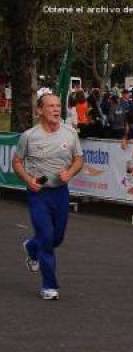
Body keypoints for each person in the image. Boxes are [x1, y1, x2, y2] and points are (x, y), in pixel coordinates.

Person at [12, 93, 83, 300]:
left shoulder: (70, 134)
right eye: (50, 106)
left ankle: (31, 247)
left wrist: (69, 173)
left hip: (60, 193)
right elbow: (17, 162)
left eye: (58, 106)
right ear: (39, 110)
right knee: (46, 237)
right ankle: (49, 286)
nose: (55, 109)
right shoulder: (29, 136)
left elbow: (79, 160)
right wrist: (28, 179)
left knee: (56, 238)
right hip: (38, 194)